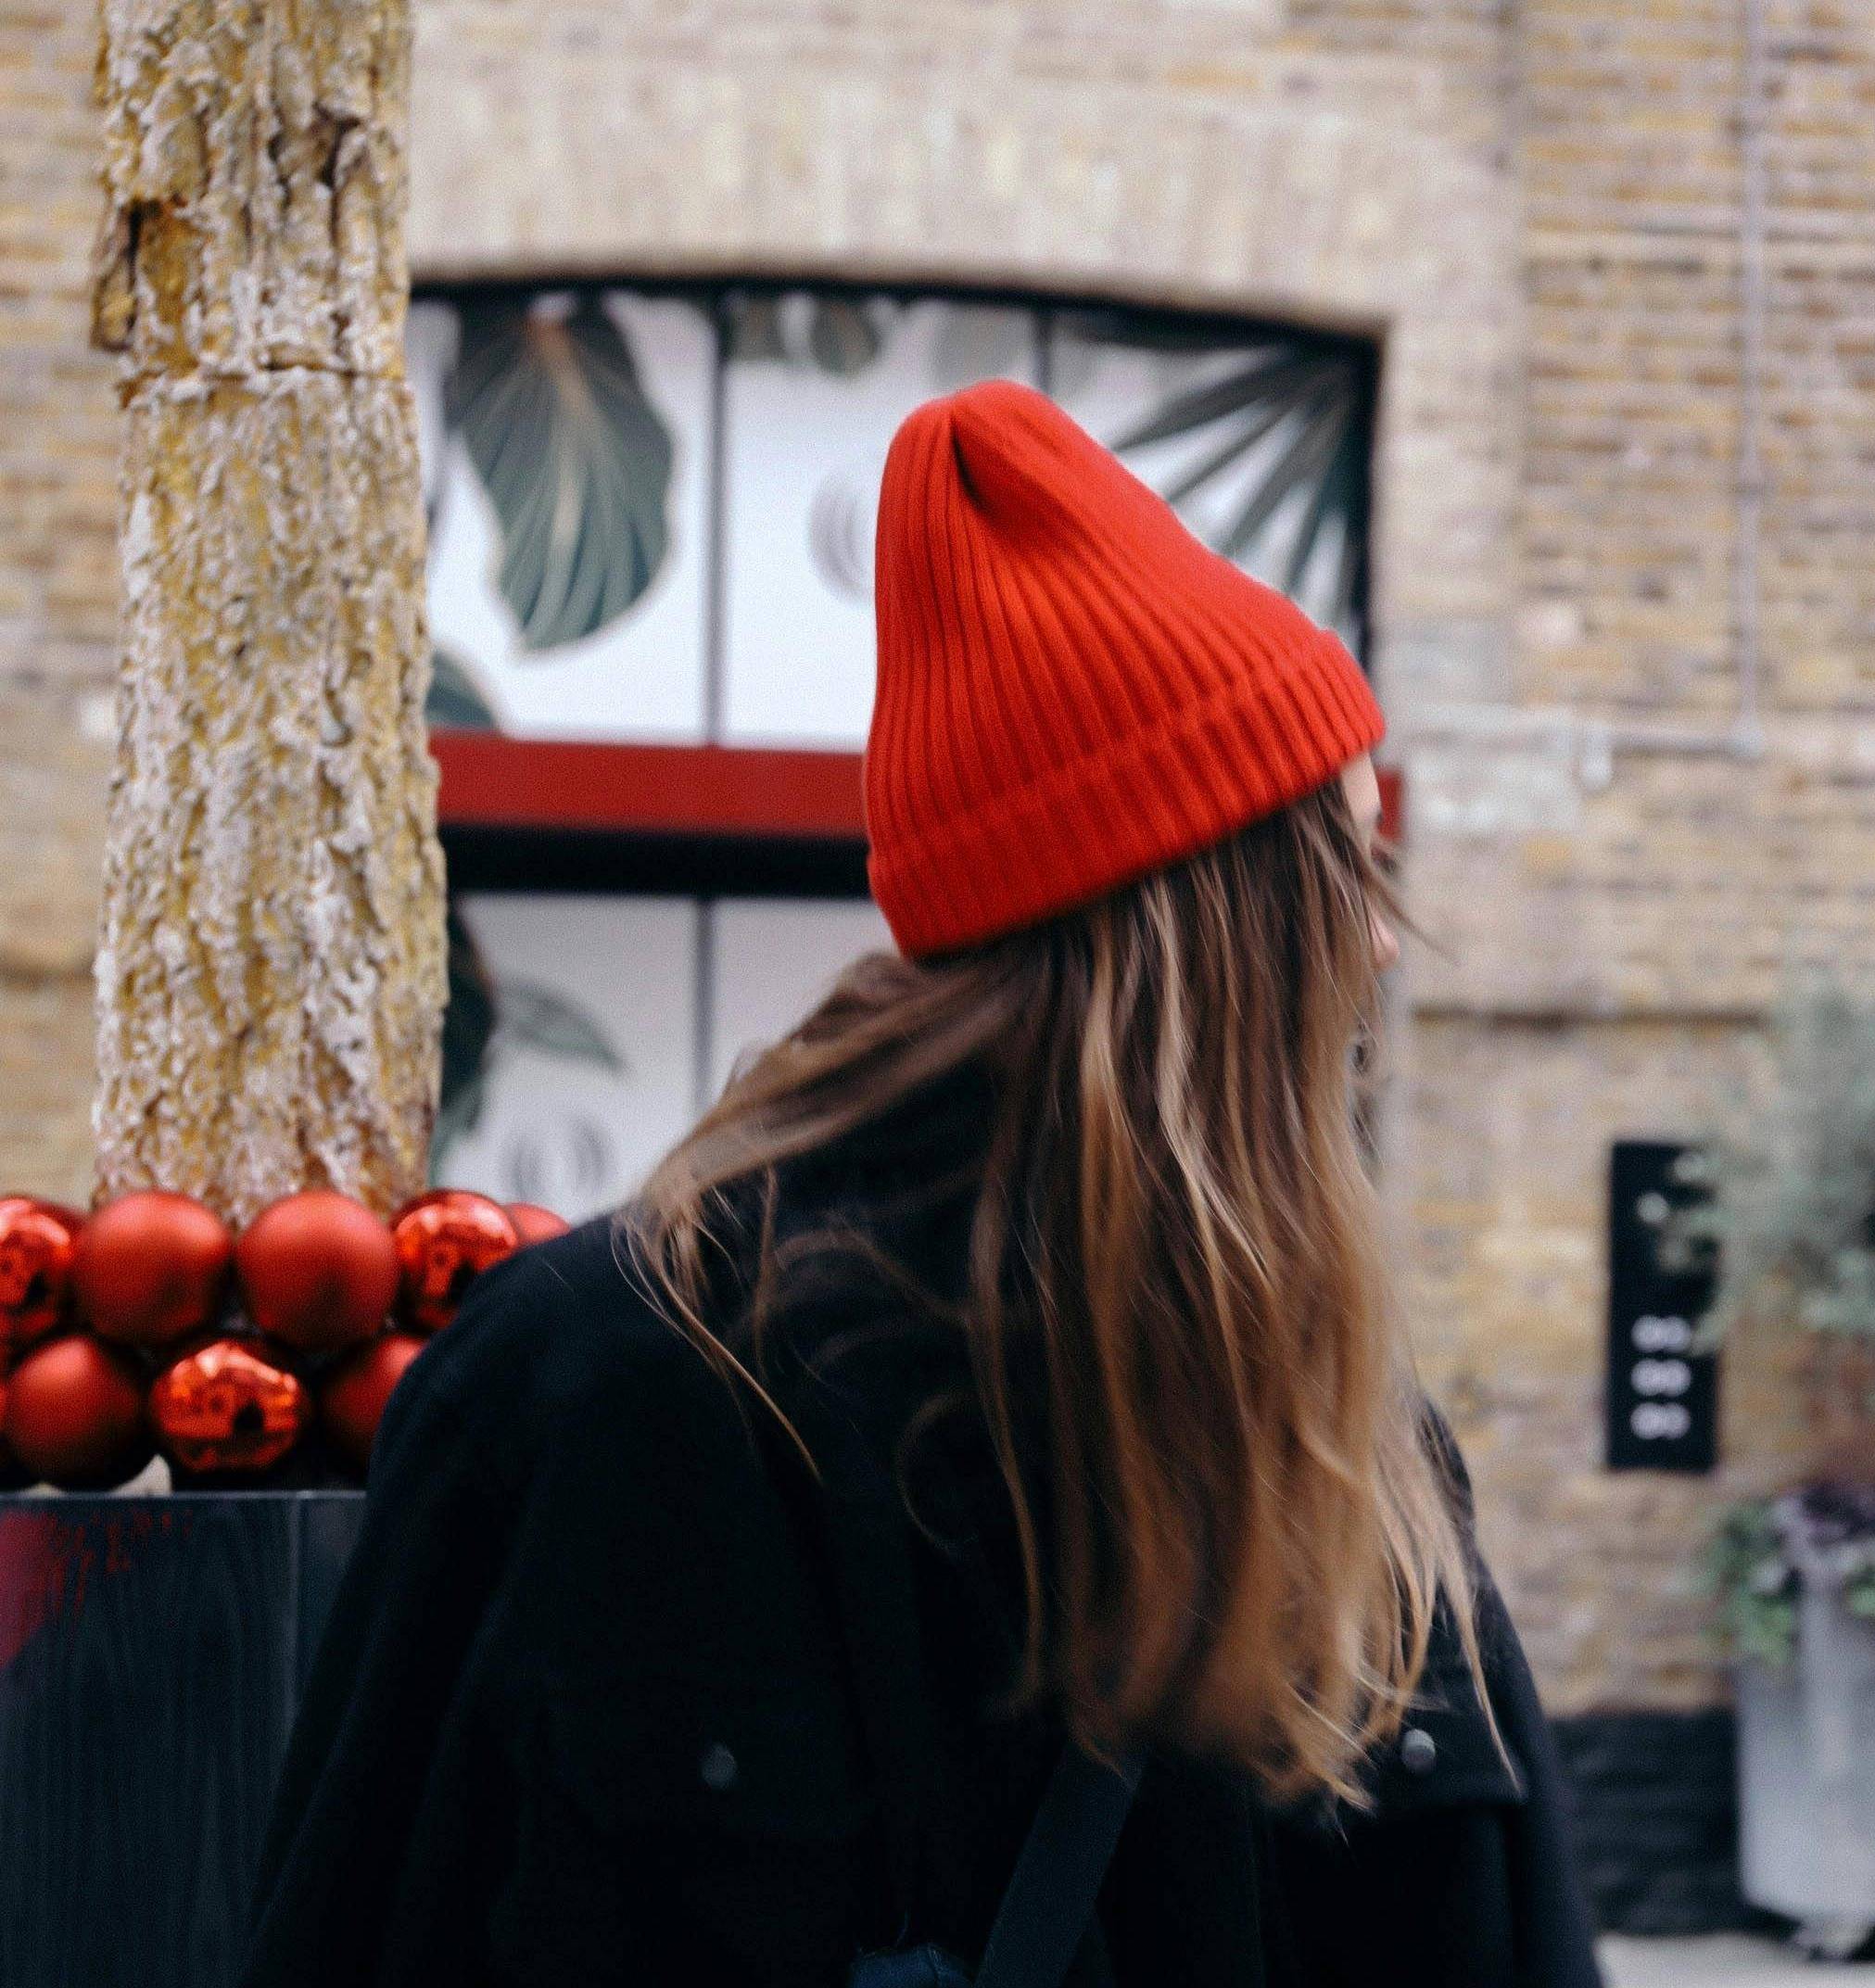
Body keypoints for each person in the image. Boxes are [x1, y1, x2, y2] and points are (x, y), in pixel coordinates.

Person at [241, 381, 1603, 1988]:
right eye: (1346, 869)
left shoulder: (573, 1375)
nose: (1378, 943)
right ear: (1223, 942)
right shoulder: (1329, 1450)